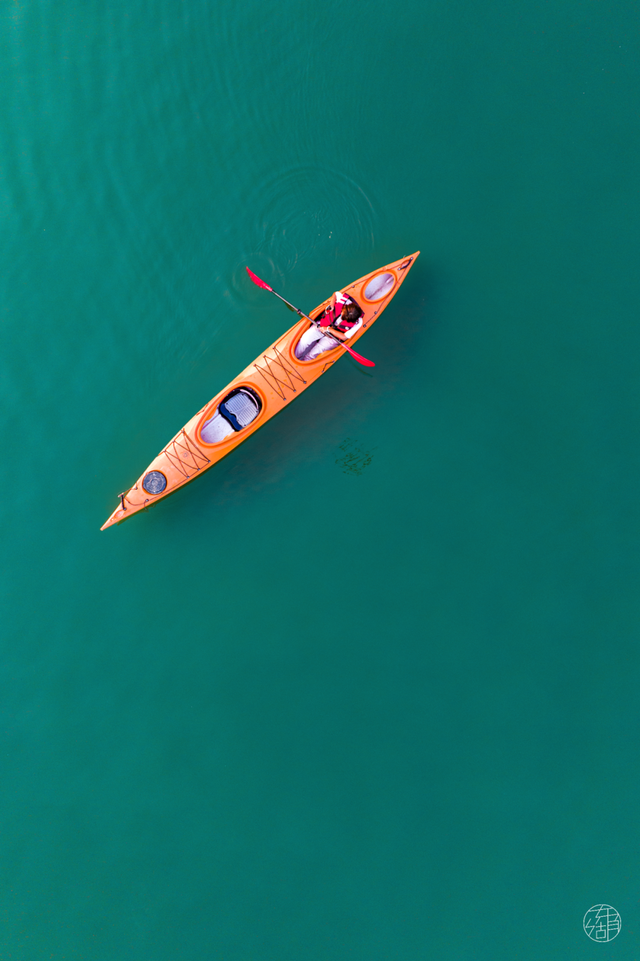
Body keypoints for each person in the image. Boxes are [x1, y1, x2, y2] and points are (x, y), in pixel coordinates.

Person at [294, 293, 364, 361]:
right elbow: (335, 294)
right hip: (322, 325)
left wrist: (328, 329)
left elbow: (344, 337)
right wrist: (332, 303)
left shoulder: (358, 323)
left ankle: (305, 360)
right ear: (345, 307)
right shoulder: (344, 301)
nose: (342, 317)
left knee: (313, 354)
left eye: (344, 318)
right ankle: (296, 356)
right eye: (343, 314)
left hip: (333, 338)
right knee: (304, 340)